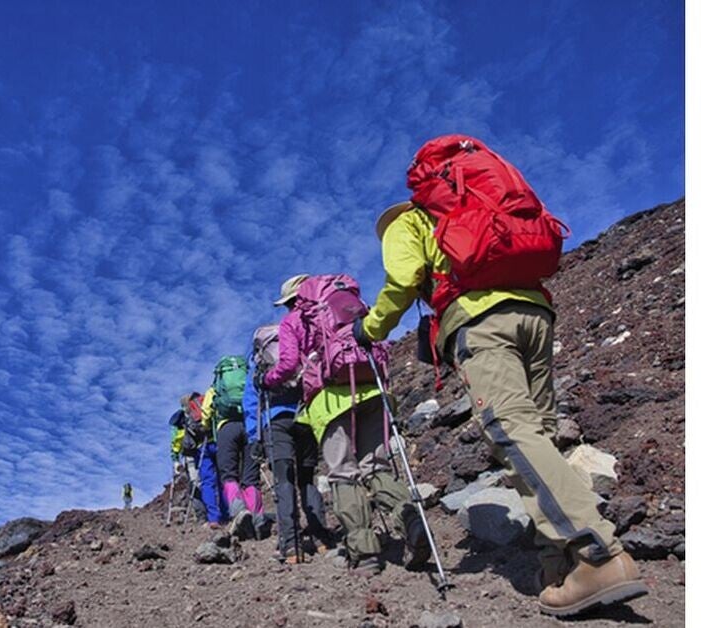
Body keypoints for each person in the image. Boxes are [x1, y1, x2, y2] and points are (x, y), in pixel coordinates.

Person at [358, 194, 647, 615]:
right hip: (534, 312)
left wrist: (371, 328)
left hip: (480, 321)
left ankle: (597, 555)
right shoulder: (470, 207)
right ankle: (557, 569)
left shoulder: (406, 224)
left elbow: (404, 278)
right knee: (539, 434)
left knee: (511, 431)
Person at [262, 274, 429, 576]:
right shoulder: (348, 303)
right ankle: (412, 523)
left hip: (329, 399)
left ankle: (365, 553)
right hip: (373, 388)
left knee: (344, 473)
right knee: (377, 466)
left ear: (292, 300)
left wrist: (267, 380)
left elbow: (287, 365)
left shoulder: (294, 320)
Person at [245, 315, 334, 563]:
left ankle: (291, 545)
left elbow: (250, 404)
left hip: (275, 424)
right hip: (304, 419)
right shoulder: (296, 352)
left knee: (283, 481)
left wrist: (255, 437)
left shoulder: (258, 364)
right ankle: (321, 539)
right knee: (308, 478)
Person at [202, 357, 265, 541]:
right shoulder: (248, 382)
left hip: (226, 428)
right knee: (251, 477)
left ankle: (239, 512)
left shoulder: (214, 390)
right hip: (250, 427)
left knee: (228, 474)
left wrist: (208, 425)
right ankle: (258, 519)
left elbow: (206, 415)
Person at [177, 392, 227, 529]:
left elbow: (185, 434)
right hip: (217, 442)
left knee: (207, 482)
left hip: (201, 448)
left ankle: (213, 518)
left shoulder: (188, 411)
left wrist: (176, 455)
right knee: (223, 479)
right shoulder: (205, 401)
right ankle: (226, 514)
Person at [168, 402, 208, 523]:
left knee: (195, 484)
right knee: (207, 481)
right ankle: (214, 512)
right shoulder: (201, 413)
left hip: (190, 454)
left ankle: (202, 516)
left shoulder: (179, 421)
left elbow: (176, 441)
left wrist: (175, 460)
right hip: (206, 450)